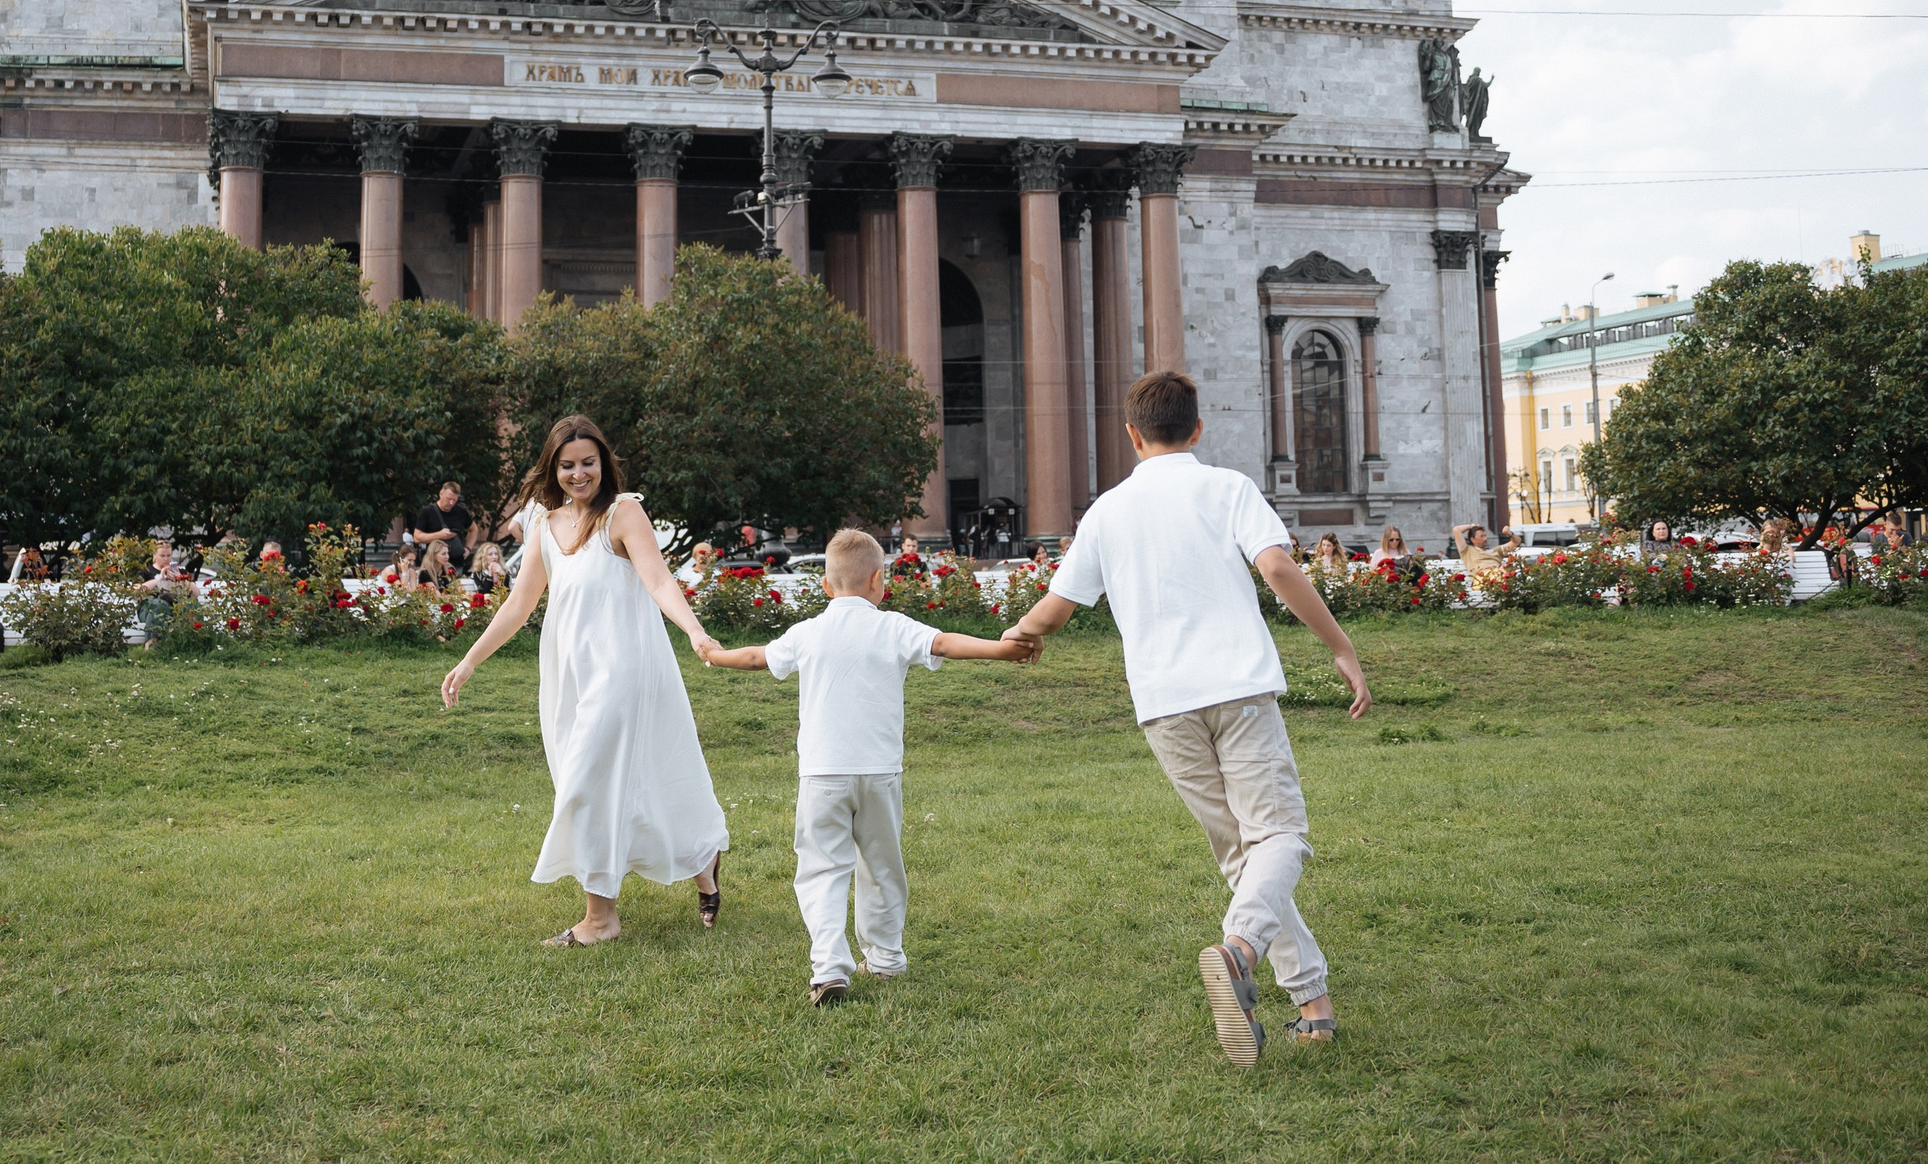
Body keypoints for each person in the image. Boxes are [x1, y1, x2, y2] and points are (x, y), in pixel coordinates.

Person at [1001, 370, 1370, 1067]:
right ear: (1198, 429)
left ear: (1132, 435)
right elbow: (1279, 568)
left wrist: (1015, 637)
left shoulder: (1106, 511)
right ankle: (1238, 949)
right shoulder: (1226, 486)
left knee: (1242, 854)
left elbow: (1054, 608)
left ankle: (1312, 1006)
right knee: (1281, 836)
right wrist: (1340, 645)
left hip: (1164, 704)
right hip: (1238, 685)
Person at [699, 528, 1035, 1005]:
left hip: (822, 775)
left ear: (824, 586)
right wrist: (1003, 649)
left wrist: (713, 655)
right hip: (879, 773)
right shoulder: (894, 626)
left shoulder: (808, 631)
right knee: (882, 866)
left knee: (821, 869)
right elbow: (945, 644)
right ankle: (885, 958)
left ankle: (829, 966)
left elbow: (755, 657)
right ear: (880, 580)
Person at [440, 414, 728, 946]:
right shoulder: (547, 526)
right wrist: (470, 660)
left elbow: (659, 578)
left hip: (623, 669)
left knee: (585, 784)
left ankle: (600, 920)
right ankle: (702, 859)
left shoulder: (624, 513)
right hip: (568, 674)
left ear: (603, 463)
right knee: (621, 781)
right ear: (554, 468)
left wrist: (694, 630)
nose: (579, 474)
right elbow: (520, 603)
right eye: (568, 465)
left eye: (588, 463)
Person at [414, 481, 475, 555]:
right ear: (441, 494)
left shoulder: (461, 511)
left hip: (456, 558)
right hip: (434, 559)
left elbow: (474, 529)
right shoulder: (428, 511)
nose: (451, 503)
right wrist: (439, 535)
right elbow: (417, 537)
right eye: (448, 499)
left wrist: (468, 548)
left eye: (454, 500)